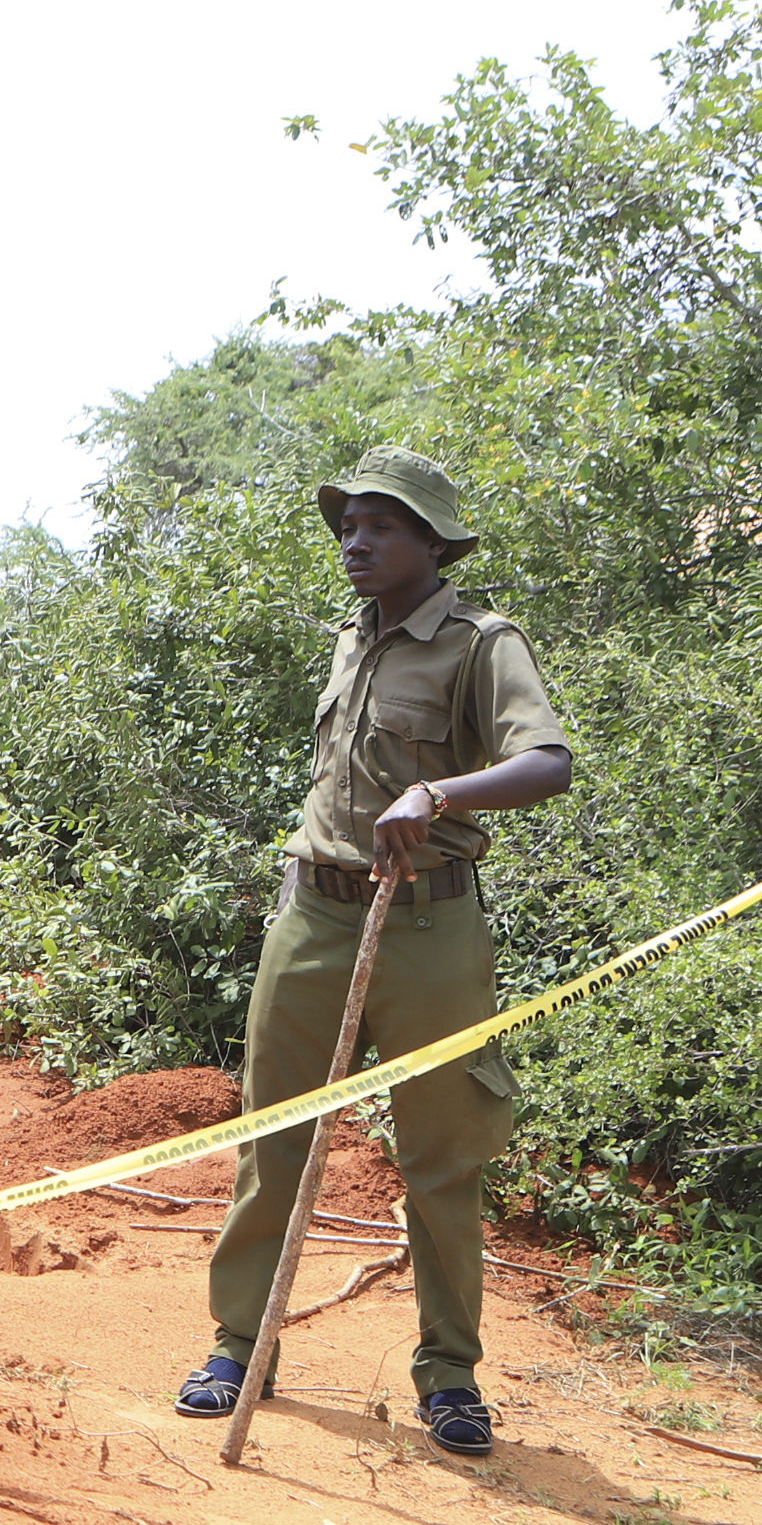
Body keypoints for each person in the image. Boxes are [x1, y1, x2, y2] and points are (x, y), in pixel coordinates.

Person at [177, 448, 572, 1460]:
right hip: (312, 916)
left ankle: (449, 1374)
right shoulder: (348, 636)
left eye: (378, 526)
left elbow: (546, 760)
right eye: (346, 525)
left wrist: (438, 794)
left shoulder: (480, 643)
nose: (353, 542)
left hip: (429, 928)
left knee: (440, 1160)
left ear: (430, 541)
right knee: (275, 1136)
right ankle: (239, 1344)